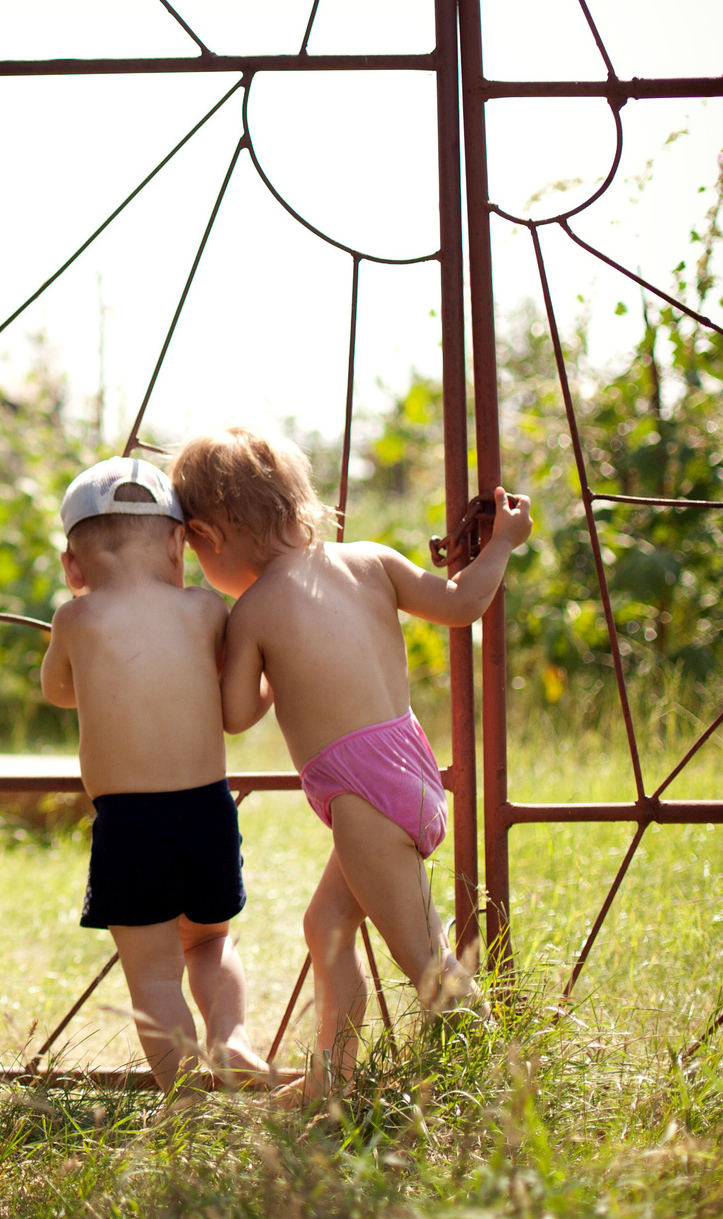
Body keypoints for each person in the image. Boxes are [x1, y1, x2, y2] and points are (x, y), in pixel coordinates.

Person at [170, 427, 530, 1097]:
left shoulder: (252, 611)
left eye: (192, 548)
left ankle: (503, 1080)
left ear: (209, 535)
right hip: (410, 769)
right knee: (326, 925)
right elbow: (461, 604)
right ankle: (332, 1076)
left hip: (363, 799)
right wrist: (501, 543)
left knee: (425, 960)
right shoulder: (370, 559)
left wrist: (233, 649)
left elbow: (236, 713)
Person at [40, 456, 273, 1093]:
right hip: (207, 810)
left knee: (152, 973)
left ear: (73, 567)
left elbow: (58, 692)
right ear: (179, 544)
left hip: (131, 823)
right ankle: (232, 1039)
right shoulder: (204, 611)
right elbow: (233, 709)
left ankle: (183, 1086)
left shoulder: (76, 619)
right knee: (209, 943)